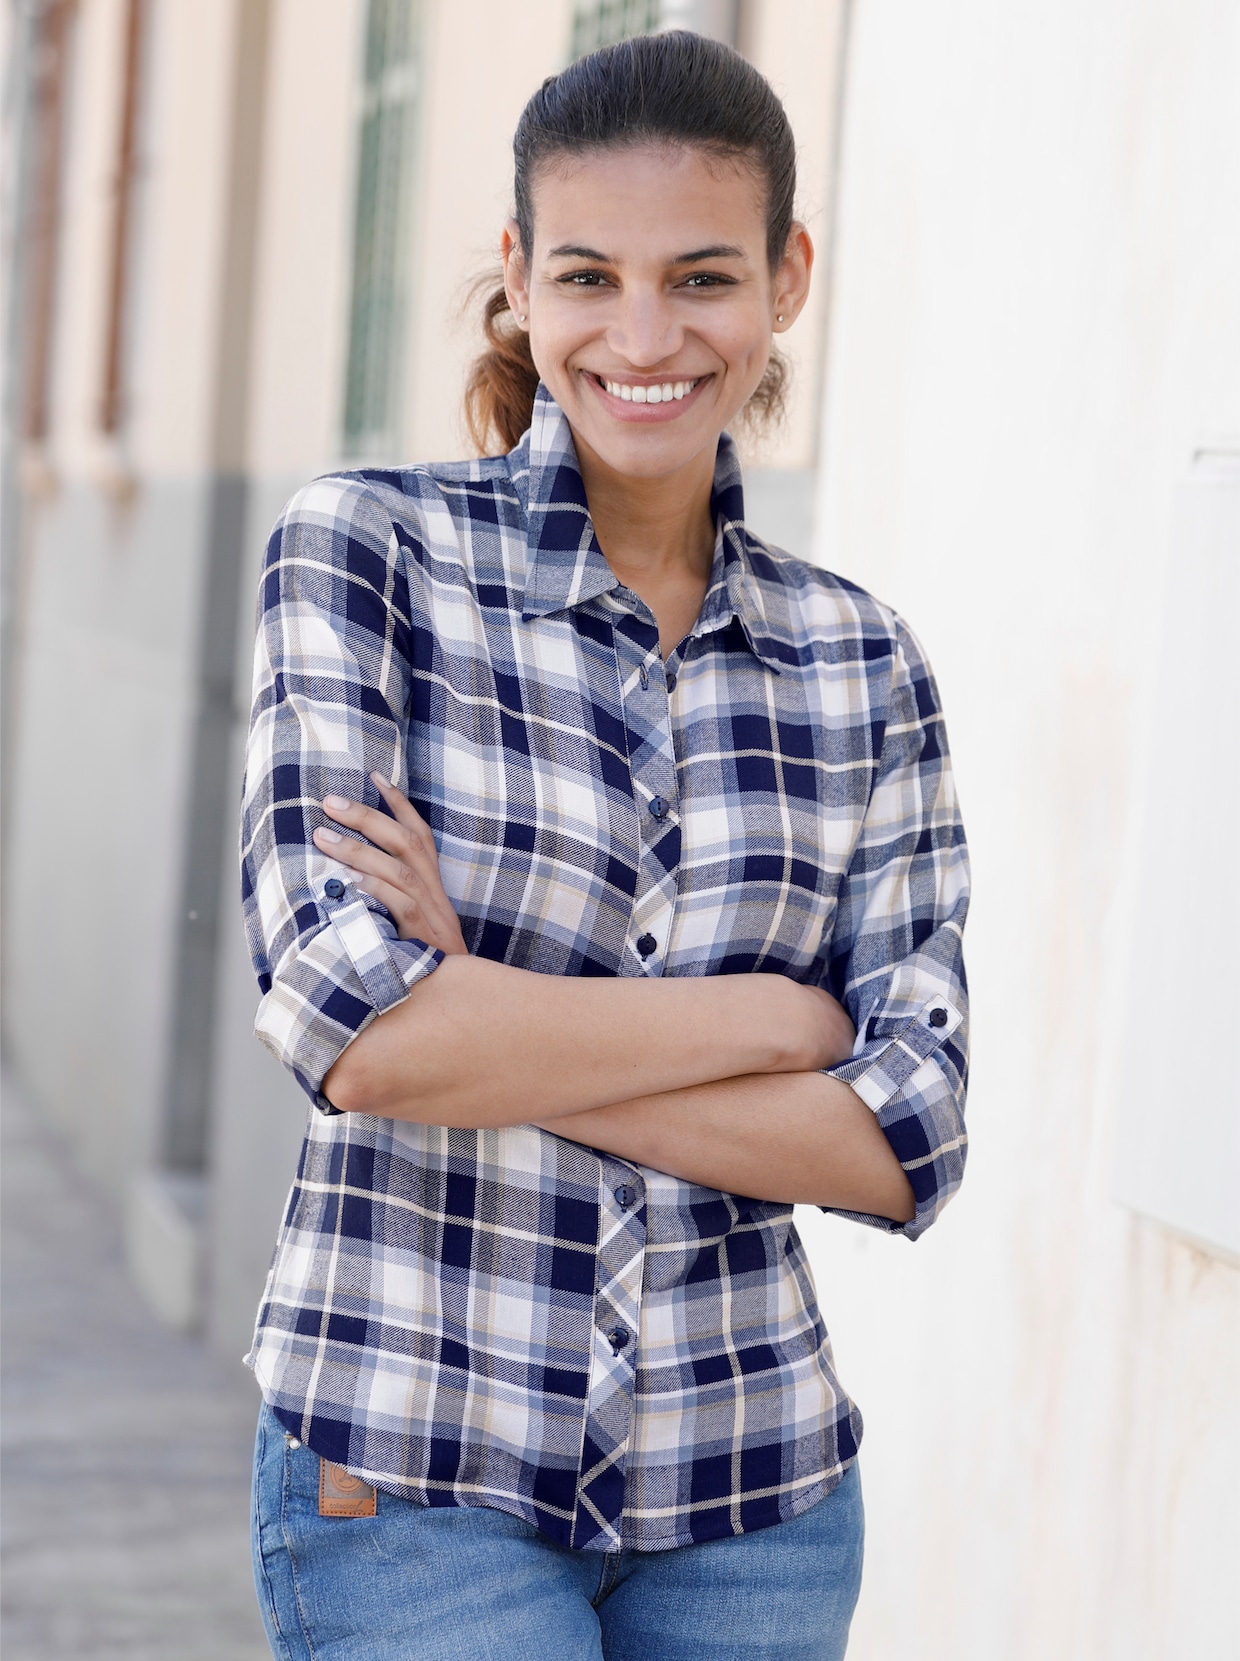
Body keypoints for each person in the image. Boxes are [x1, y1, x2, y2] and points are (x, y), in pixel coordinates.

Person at [242, 30, 969, 1661]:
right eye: (589, 276)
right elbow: (354, 1026)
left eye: (702, 277)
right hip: (416, 1474)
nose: (645, 337)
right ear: (517, 277)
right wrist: (775, 1024)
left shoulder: (864, 664)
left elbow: (905, 1135)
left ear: (787, 276)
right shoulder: (369, 558)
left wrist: (489, 1012)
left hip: (755, 1504)